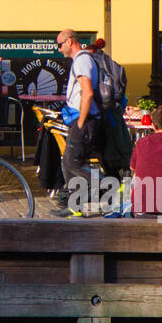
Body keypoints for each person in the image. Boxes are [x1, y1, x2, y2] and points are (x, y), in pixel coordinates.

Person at [55, 27, 103, 211]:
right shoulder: (82, 60)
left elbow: (87, 92)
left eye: (60, 45)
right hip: (85, 118)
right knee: (72, 161)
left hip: (85, 119)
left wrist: (81, 122)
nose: (59, 49)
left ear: (69, 41)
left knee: (71, 163)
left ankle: (105, 186)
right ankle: (75, 206)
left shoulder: (82, 61)